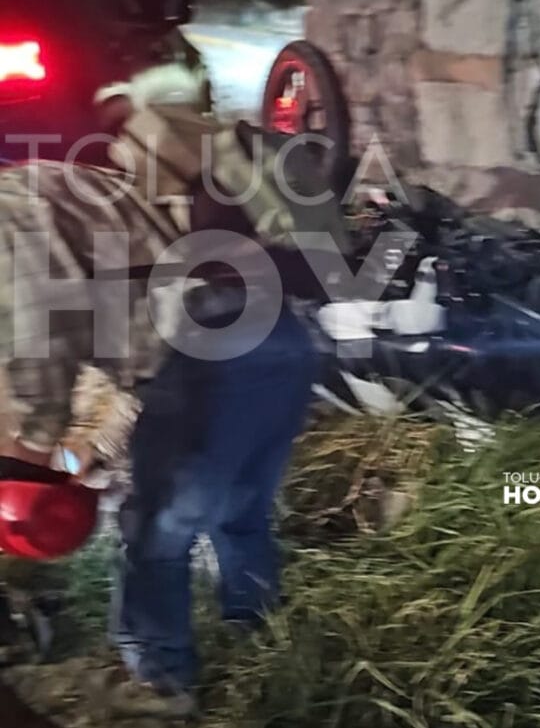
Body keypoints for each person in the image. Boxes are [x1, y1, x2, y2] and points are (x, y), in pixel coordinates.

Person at [0, 105, 341, 717]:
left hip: (204, 352)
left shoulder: (4, 226)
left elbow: (36, 361)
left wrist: (28, 466)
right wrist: (94, 447)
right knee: (241, 510)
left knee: (155, 533)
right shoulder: (40, 184)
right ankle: (262, 636)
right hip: (278, 339)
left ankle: (159, 682)